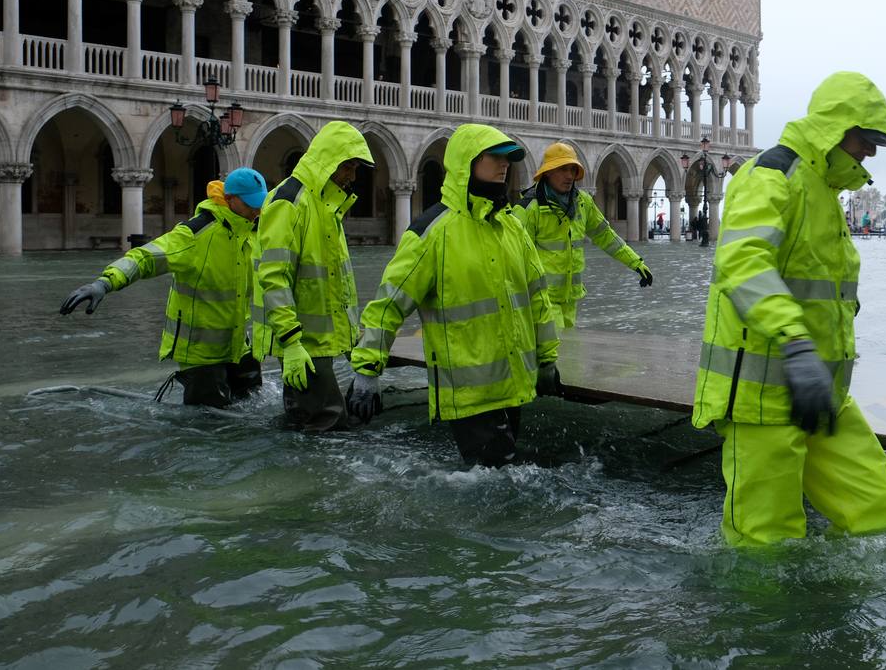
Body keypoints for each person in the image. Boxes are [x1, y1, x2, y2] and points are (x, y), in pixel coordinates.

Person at [692, 71, 886, 546]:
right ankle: (764, 618)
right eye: (864, 140)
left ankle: (842, 607)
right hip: (760, 395)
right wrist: (797, 343)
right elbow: (742, 262)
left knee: (876, 510)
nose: (869, 153)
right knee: (766, 540)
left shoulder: (824, 190)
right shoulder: (774, 174)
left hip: (821, 393)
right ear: (835, 128)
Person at [350, 124, 560, 467]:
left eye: (508, 158)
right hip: (469, 393)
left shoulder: (511, 227)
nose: (504, 164)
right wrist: (366, 371)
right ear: (468, 161)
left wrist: (548, 358)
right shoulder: (432, 232)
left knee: (504, 480)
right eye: (495, 156)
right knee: (500, 482)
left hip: (514, 385)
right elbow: (388, 304)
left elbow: (538, 297)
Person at [59, 168, 268, 407]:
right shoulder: (194, 234)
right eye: (251, 204)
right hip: (199, 352)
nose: (257, 210)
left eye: (260, 203)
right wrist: (104, 283)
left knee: (254, 402)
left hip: (238, 344)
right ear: (230, 199)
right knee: (209, 425)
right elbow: (145, 258)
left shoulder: (252, 231)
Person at [252, 120, 373, 433]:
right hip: (303, 342)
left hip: (323, 340)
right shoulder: (289, 201)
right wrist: (291, 343)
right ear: (329, 160)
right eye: (348, 167)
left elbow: (336, 280)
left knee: (322, 422)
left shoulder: (327, 206)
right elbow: (274, 276)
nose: (352, 177)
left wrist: (352, 337)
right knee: (327, 425)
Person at [518, 142, 653, 329]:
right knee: (556, 348)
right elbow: (513, 253)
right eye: (563, 169)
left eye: (572, 170)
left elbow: (606, 237)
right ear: (548, 172)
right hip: (541, 297)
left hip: (571, 298)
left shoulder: (583, 202)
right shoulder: (529, 207)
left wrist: (636, 263)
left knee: (570, 351)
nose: (569, 176)